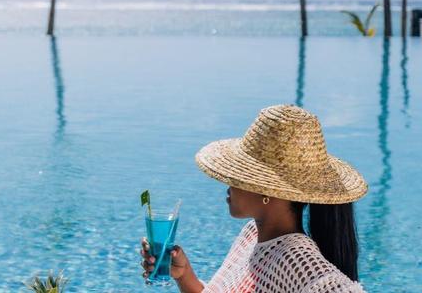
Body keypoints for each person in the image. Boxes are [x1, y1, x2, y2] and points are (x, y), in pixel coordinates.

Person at [141, 104, 368, 292]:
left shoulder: (298, 263)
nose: (228, 184)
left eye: (240, 177)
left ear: (268, 191)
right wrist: (184, 275)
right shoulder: (252, 236)